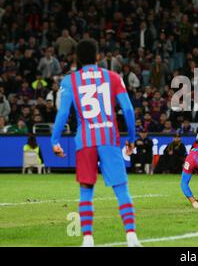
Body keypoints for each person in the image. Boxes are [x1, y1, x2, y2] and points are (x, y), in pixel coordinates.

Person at [50, 39, 142, 247]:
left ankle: (88, 239)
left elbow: (63, 113)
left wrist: (55, 140)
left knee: (86, 190)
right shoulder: (113, 77)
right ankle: (131, 236)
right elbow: (128, 109)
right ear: (98, 57)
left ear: (76, 59)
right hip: (109, 138)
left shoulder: (69, 81)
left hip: (85, 140)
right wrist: (131, 139)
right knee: (121, 189)